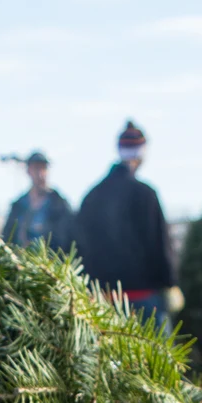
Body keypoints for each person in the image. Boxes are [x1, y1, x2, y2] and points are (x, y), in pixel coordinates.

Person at [76, 121, 178, 321]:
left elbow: (79, 246)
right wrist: (171, 283)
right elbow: (160, 244)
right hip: (145, 299)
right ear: (141, 152)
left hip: (101, 300)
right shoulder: (146, 194)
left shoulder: (92, 196)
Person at [2, 151, 77, 253]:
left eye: (44, 168)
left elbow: (69, 239)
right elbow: (7, 237)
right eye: (36, 168)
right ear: (29, 171)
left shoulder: (59, 204)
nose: (40, 174)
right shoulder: (19, 205)